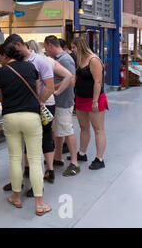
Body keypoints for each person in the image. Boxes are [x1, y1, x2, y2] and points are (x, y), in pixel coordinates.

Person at [0, 41, 52, 216]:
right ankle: (39, 203)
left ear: (5, 55)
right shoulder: (30, 67)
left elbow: (1, 98)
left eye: (0, 55)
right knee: (35, 159)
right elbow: (35, 91)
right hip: (31, 117)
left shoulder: (0, 73)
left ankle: (16, 197)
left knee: (15, 158)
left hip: (10, 117)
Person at [26, 40, 74, 189]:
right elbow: (68, 76)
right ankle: (50, 170)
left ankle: (35, 177)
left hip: (35, 103)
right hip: (50, 104)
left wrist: (51, 92)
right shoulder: (49, 61)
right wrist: (56, 92)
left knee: (32, 139)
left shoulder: (28, 63)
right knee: (47, 136)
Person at [44, 35, 80, 177]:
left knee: (67, 130)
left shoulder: (65, 59)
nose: (46, 51)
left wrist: (52, 87)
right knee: (58, 130)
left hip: (64, 102)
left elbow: (71, 80)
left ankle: (74, 163)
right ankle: (57, 157)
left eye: (46, 48)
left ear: (50, 45)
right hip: (58, 102)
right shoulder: (59, 59)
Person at [71, 37, 108, 170]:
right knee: (83, 127)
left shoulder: (94, 60)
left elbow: (98, 82)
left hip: (94, 99)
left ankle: (99, 158)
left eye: (73, 47)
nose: (72, 50)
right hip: (81, 97)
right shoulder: (79, 60)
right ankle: (82, 153)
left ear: (79, 47)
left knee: (98, 129)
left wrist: (95, 101)